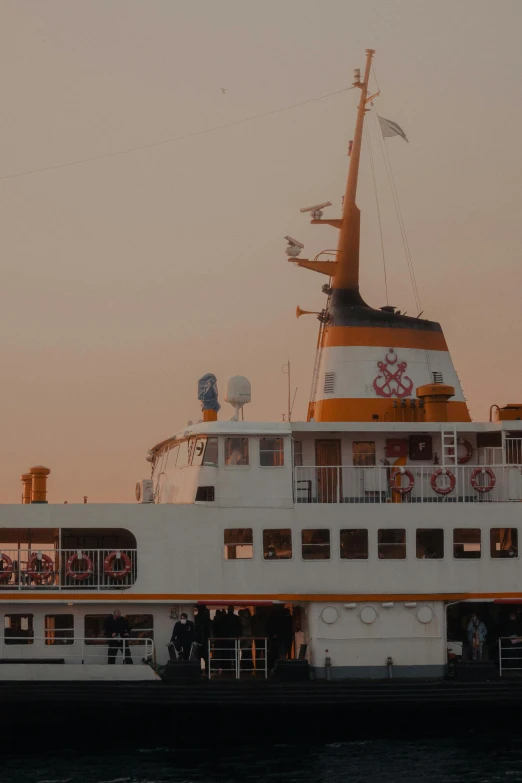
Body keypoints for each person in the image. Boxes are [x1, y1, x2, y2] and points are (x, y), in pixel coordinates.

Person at [194, 604, 212, 673]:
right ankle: (207, 670)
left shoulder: (196, 618)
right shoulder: (207, 620)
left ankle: (199, 670)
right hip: (205, 641)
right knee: (206, 657)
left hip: (200, 641)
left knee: (199, 657)